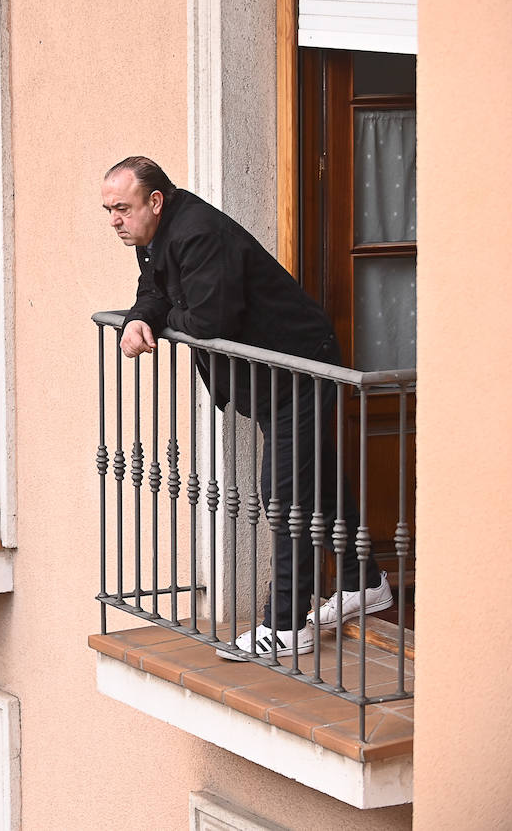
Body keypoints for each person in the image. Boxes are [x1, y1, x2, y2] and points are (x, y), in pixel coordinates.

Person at [104, 156, 391, 658]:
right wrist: (137, 318)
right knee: (312, 475)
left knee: (284, 493)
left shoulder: (197, 234)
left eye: (122, 209)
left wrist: (163, 318)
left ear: (155, 201)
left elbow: (210, 319)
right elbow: (153, 290)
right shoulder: (154, 238)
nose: (114, 222)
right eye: (108, 210)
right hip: (270, 377)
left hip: (301, 366)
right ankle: (361, 580)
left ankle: (285, 626)